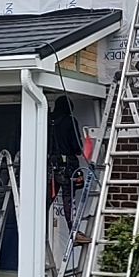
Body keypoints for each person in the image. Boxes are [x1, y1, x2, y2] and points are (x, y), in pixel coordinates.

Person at [48, 95, 90, 243]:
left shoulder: (49, 121)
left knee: (46, 200)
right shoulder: (69, 121)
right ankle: (74, 232)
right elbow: (77, 148)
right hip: (67, 166)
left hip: (50, 166)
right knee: (68, 198)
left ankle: (36, 226)